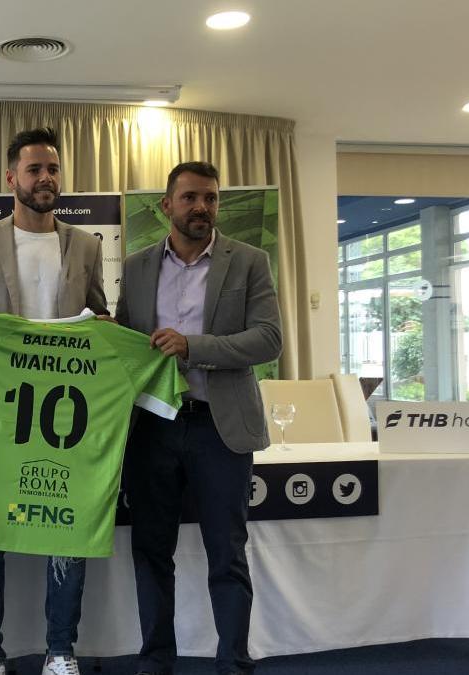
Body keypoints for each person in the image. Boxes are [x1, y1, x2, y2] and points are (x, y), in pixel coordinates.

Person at [0, 127, 108, 675]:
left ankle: (60, 651)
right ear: (11, 177)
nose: (46, 178)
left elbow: (100, 326)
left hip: (68, 420)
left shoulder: (86, 246)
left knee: (69, 527)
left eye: (54, 169)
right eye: (35, 169)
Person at [115, 161, 282, 675]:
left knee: (227, 554)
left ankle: (233, 662)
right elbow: (128, 339)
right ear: (166, 205)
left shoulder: (249, 261)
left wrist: (195, 347)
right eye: (189, 197)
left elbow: (269, 339)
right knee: (151, 550)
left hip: (220, 427)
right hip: (153, 427)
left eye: (209, 198)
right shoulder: (139, 265)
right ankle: (155, 661)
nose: (201, 207)